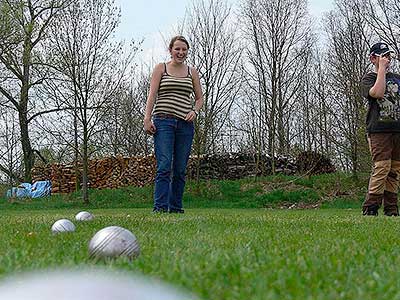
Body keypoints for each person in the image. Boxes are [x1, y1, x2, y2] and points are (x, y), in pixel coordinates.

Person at [143, 36, 203, 213]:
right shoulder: (161, 68)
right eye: (177, 49)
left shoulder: (192, 72)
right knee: (164, 165)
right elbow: (152, 96)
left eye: (184, 49)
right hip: (164, 122)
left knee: (179, 168)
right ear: (170, 50)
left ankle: (175, 207)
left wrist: (195, 111)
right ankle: (160, 208)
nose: (181, 52)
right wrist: (147, 119)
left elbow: (199, 98)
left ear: (187, 51)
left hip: (185, 125)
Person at [361, 42, 400, 216]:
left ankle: (391, 208)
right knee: (382, 166)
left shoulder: (397, 78)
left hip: (397, 130)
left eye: (388, 56)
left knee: (395, 169)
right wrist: (382, 70)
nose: (387, 59)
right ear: (373, 58)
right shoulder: (368, 78)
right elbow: (376, 93)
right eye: (383, 56)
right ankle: (371, 207)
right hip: (378, 130)